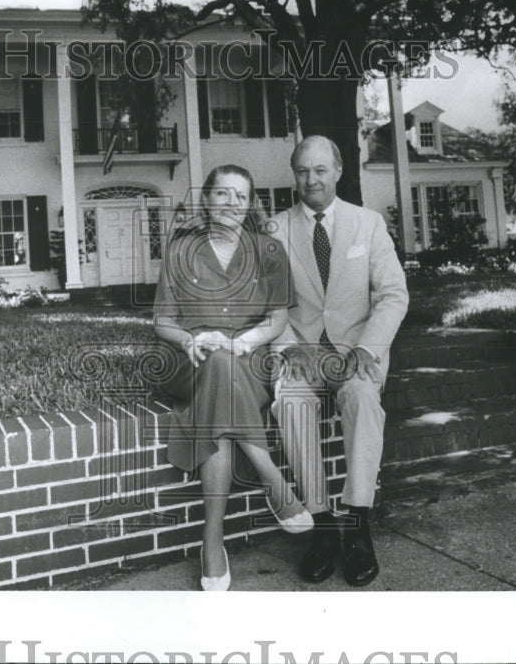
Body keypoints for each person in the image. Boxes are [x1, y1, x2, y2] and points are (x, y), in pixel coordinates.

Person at [152, 164, 313, 591]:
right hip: (193, 362)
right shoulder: (180, 250)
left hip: (247, 363)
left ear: (250, 203)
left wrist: (246, 341)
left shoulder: (269, 251)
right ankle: (271, 477)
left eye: (241, 196)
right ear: (206, 200)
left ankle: (212, 539)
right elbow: (162, 322)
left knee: (223, 377)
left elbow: (278, 319)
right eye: (222, 194)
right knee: (216, 364)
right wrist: (189, 339)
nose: (232, 204)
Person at [266, 136, 409, 587]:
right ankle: (323, 525)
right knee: (289, 402)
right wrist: (290, 347)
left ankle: (358, 521)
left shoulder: (367, 224)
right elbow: (265, 305)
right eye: (304, 171)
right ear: (295, 175)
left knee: (364, 397)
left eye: (321, 169)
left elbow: (393, 294)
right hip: (301, 352)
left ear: (339, 171)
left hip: (355, 352)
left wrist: (367, 350)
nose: (313, 179)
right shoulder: (274, 230)